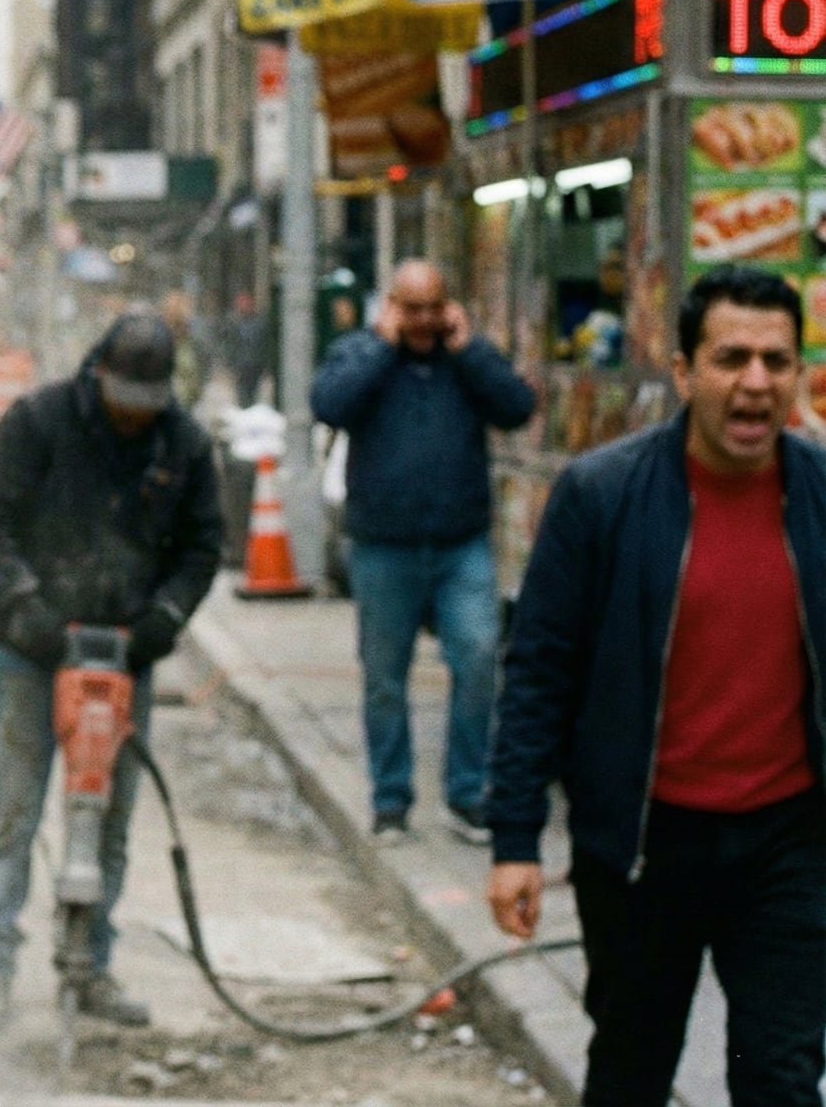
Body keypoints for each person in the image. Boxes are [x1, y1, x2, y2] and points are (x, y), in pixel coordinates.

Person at [487, 264, 826, 1106]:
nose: (755, 383)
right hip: (642, 846)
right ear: (683, 372)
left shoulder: (821, 495)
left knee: (783, 1077)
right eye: (731, 358)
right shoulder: (600, 495)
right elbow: (539, 671)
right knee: (632, 1070)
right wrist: (515, 841)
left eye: (776, 362)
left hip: (789, 843)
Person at [0, 311, 223, 1031]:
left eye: (147, 407)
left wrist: (165, 618)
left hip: (126, 653)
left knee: (107, 821)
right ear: (99, 372)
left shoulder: (184, 445)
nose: (133, 421)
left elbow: (203, 546)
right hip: (32, 650)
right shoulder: (40, 421)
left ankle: (90, 966)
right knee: (11, 815)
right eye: (123, 403)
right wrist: (23, 601)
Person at [311, 259, 536, 845]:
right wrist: (381, 349)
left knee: (479, 659)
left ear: (448, 308)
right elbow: (328, 405)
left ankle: (467, 793)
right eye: (410, 309)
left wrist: (471, 351)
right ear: (390, 308)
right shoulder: (361, 354)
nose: (422, 321)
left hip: (461, 545)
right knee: (385, 678)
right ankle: (391, 801)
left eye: (432, 308)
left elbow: (516, 407)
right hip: (383, 548)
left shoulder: (465, 361)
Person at [221, 289, 272, 406]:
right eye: (242, 304)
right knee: (242, 396)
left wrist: (266, 365)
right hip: (240, 366)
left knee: (254, 395)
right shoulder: (233, 324)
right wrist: (230, 365)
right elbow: (229, 346)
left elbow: (264, 345)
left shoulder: (261, 323)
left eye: (247, 303)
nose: (244, 307)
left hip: (256, 365)